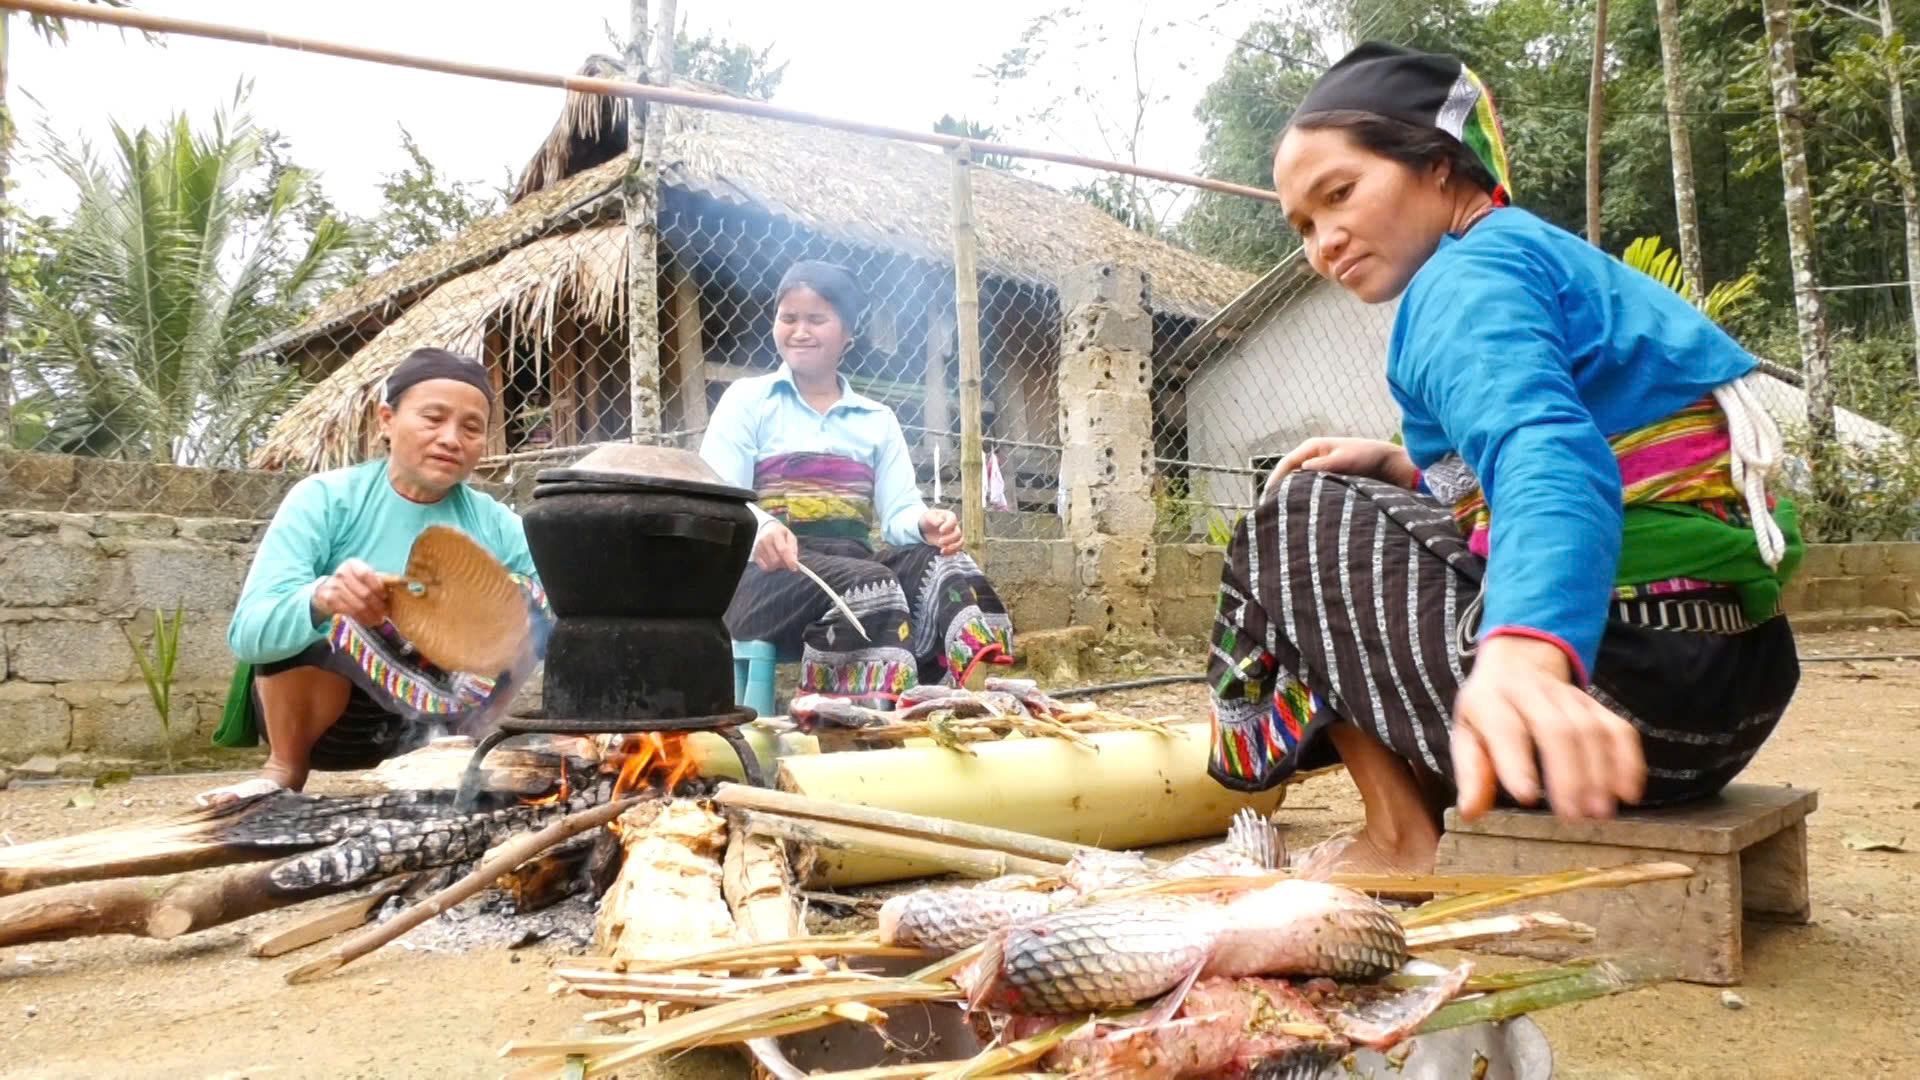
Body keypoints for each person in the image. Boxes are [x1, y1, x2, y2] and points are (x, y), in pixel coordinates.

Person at [1205, 42, 1804, 878]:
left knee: (1294, 517)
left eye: (1339, 195)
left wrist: (1525, 653)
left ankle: (1401, 835)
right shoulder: (1530, 254)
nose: (1323, 244)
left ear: (1441, 166)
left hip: (1602, 715)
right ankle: (1436, 792)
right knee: (1344, 495)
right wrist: (1400, 469)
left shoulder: (1462, 281)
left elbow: (1547, 449)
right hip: (1726, 707)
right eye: (1303, 225)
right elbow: (1586, 451)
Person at [199, 347, 540, 807]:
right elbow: (249, 633)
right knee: (336, 602)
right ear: (386, 420)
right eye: (432, 418)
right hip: (333, 722)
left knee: (529, 598)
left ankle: (460, 752)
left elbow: (564, 613)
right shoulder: (323, 499)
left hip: (434, 718)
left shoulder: (495, 523)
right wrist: (322, 598)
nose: (451, 438)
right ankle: (284, 767)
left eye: (471, 427)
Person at [700, 260, 1015, 708]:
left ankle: (929, 703)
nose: (800, 331)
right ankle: (859, 717)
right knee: (871, 583)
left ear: (848, 331)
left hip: (853, 568)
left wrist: (926, 522)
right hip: (764, 581)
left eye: (816, 319)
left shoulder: (876, 420)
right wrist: (762, 528)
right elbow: (720, 496)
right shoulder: (748, 402)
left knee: (943, 565)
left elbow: (899, 510)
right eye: (788, 318)